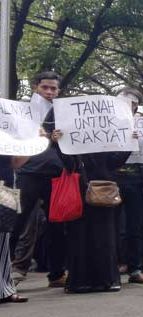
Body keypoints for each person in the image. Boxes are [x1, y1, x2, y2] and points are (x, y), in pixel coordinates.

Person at [50, 125, 133, 293]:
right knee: (80, 237)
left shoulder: (104, 140)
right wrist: (57, 143)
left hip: (103, 193)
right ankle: (81, 281)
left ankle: (106, 280)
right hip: (80, 193)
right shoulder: (72, 143)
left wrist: (130, 144)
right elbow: (69, 165)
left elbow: (115, 162)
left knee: (105, 237)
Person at [10, 71, 66, 288]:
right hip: (29, 173)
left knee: (57, 226)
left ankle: (56, 274)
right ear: (35, 87)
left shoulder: (63, 113)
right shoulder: (21, 111)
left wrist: (55, 139)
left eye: (54, 88)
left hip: (54, 174)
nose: (50, 92)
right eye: (45, 87)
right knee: (17, 223)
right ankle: (9, 271)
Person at [113, 87, 143, 283]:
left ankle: (134, 269)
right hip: (111, 182)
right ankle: (113, 266)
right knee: (113, 227)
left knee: (134, 226)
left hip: (138, 181)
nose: (128, 107)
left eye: (132, 104)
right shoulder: (106, 125)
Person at [1, 155, 29, 304]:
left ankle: (6, 289)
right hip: (5, 186)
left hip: (5, 187)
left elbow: (17, 162)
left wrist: (32, 144)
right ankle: (6, 290)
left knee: (4, 238)